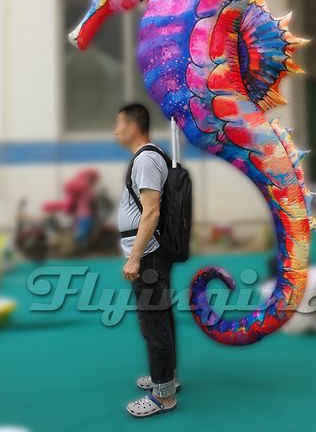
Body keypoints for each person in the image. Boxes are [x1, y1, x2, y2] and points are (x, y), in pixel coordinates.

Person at [115, 103, 179, 418]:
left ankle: (163, 395)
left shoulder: (147, 159)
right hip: (150, 253)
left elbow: (151, 211)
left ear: (133, 126)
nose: (115, 130)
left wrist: (135, 257)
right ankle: (165, 378)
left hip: (148, 254)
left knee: (153, 322)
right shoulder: (147, 158)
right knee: (160, 319)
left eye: (119, 124)